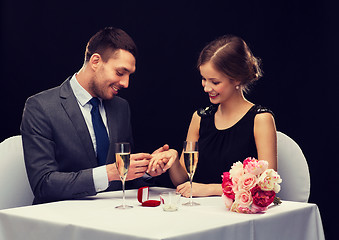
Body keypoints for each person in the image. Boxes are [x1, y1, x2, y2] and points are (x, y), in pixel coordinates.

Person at [21, 27, 167, 204]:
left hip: (115, 215)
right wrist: (109, 172)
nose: (126, 83)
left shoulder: (121, 108)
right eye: (120, 73)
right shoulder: (41, 107)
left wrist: (145, 170)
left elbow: (122, 178)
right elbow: (44, 185)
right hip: (61, 220)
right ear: (96, 61)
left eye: (129, 75)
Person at [148, 35, 277, 198]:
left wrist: (210, 189)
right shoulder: (200, 117)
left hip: (239, 215)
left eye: (215, 82)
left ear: (236, 79)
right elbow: (183, 180)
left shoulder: (260, 119)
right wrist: (172, 160)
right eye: (203, 79)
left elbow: (267, 183)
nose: (206, 88)